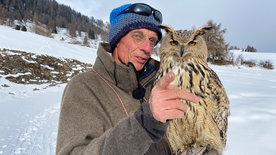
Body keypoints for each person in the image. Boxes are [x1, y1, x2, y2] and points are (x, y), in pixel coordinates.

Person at [56, 3, 198, 155]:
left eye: (152, 40)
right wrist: (144, 125)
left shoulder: (161, 82)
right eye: (137, 36)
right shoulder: (84, 86)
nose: (147, 48)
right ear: (116, 39)